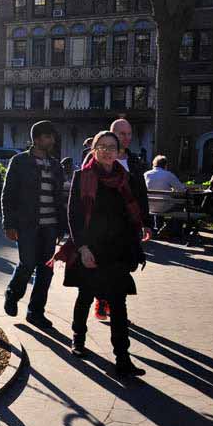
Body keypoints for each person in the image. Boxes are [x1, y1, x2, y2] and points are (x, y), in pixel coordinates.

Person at [62, 131, 150, 377]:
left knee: (119, 305)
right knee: (86, 297)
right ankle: (78, 340)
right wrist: (82, 247)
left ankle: (122, 358)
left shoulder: (126, 178)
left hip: (118, 251)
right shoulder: (82, 177)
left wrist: (140, 232)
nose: (108, 150)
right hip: (91, 249)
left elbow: (133, 210)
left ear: (119, 150)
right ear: (94, 149)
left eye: (112, 146)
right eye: (102, 146)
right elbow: (74, 216)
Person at [1, 120, 67, 329]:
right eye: (48, 136)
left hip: (50, 226)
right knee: (27, 264)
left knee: (46, 271)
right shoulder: (20, 161)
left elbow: (59, 198)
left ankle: (36, 312)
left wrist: (61, 227)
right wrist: (8, 224)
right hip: (27, 224)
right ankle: (13, 294)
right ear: (37, 139)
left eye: (53, 136)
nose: (52, 140)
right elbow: (8, 194)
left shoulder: (56, 165)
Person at [94, 118, 152, 320]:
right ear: (112, 134)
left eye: (129, 134)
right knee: (106, 267)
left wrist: (146, 222)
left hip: (128, 226)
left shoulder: (134, 161)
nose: (126, 138)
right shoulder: (98, 159)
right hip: (104, 227)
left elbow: (141, 194)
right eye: (121, 134)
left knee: (125, 267)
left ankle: (116, 304)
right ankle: (104, 301)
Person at [144, 155, 187, 237]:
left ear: (153, 164)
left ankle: (158, 227)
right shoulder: (168, 175)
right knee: (180, 205)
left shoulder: (146, 174)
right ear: (165, 165)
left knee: (159, 204)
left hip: (149, 207)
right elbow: (182, 190)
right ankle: (170, 229)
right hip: (164, 207)